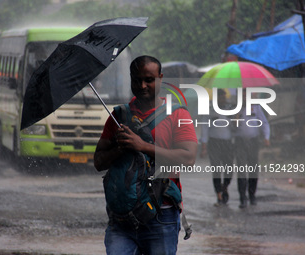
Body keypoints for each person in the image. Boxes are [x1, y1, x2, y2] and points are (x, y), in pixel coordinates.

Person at [94, 55, 198, 255]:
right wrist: (120, 148)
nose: (142, 85)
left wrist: (142, 145)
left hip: (162, 214)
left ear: (160, 78)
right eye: (137, 80)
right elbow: (98, 162)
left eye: (149, 80)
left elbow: (189, 158)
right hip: (121, 216)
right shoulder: (118, 116)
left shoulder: (177, 114)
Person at [234, 89, 270, 209]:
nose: (245, 97)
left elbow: (264, 122)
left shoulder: (256, 107)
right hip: (240, 142)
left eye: (246, 94)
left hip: (254, 141)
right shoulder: (235, 108)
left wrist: (266, 137)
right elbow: (230, 126)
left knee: (253, 170)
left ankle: (252, 194)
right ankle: (242, 198)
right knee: (242, 171)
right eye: (242, 95)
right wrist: (236, 117)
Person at [200, 89, 234, 206]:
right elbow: (204, 128)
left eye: (224, 98)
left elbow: (236, 126)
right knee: (216, 170)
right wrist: (204, 146)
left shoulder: (231, 110)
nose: (223, 100)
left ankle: (225, 187)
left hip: (228, 143)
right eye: (221, 98)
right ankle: (219, 195)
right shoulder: (209, 110)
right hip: (214, 143)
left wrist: (235, 119)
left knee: (229, 169)